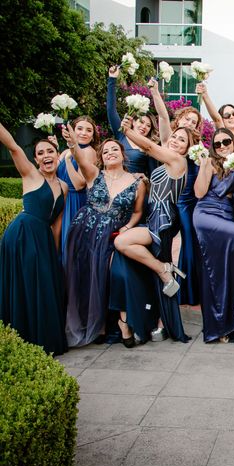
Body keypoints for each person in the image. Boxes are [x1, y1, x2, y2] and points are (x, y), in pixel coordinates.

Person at [63, 127, 146, 347]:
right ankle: (92, 326)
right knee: (85, 276)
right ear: (101, 157)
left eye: (114, 149)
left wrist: (128, 227)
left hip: (111, 235)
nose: (110, 153)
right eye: (106, 151)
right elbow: (80, 158)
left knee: (107, 276)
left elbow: (138, 212)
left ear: (122, 154)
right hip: (85, 231)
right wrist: (73, 143)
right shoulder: (93, 174)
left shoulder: (138, 182)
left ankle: (116, 322)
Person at [114, 117, 194, 343]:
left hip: (163, 220)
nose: (176, 141)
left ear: (187, 149)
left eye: (182, 140)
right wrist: (145, 181)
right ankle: (160, 321)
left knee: (122, 242)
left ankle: (164, 270)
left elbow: (148, 146)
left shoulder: (178, 160)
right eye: (175, 137)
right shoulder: (167, 163)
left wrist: (127, 130)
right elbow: (158, 187)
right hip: (155, 218)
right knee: (143, 265)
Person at [0, 123, 68, 355]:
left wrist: (55, 254)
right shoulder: (30, 174)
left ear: (57, 155)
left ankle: (43, 340)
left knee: (46, 283)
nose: (46, 156)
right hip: (22, 234)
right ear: (36, 160)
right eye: (40, 153)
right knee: (26, 284)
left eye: (50, 151)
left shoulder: (64, 186)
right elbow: (13, 146)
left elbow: (57, 224)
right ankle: (21, 338)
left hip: (43, 240)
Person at [193, 128, 234, 345]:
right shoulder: (211, 163)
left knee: (224, 273)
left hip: (228, 217)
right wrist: (203, 165)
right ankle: (222, 325)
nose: (222, 146)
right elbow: (199, 193)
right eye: (217, 143)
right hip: (206, 215)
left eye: (226, 142)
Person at [151, 80, 203, 306]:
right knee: (176, 244)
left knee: (193, 243)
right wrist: (154, 91)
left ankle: (193, 289)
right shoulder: (170, 142)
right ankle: (178, 288)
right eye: (187, 119)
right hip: (177, 201)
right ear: (179, 120)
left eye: (195, 122)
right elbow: (162, 116)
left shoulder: (195, 148)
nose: (190, 123)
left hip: (194, 201)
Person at [56, 115, 99, 261]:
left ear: (93, 136)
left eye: (88, 130)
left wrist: (68, 160)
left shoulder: (88, 152)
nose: (83, 133)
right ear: (72, 131)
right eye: (79, 129)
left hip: (76, 202)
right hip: (63, 202)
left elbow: (79, 184)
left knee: (71, 249)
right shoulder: (65, 152)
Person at [107, 66, 159, 175]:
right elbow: (111, 110)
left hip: (136, 188)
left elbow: (153, 174)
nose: (144, 127)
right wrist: (112, 79)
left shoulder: (148, 146)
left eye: (148, 126)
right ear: (134, 122)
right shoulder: (121, 135)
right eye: (141, 122)